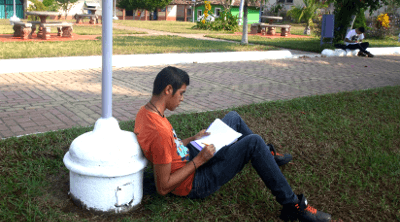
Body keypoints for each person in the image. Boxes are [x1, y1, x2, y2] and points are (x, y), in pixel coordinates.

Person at [134, 66, 333, 222]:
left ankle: (266, 156)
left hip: (188, 155)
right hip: (193, 182)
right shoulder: (157, 131)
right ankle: (293, 206)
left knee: (233, 117)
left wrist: (191, 139)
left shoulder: (147, 112)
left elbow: (170, 146)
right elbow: (163, 187)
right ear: (168, 90)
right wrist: (199, 161)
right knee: (253, 142)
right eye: (181, 93)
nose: (182, 99)